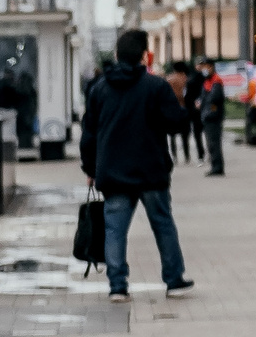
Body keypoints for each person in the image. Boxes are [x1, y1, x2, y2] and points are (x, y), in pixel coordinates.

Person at [80, 28, 194, 304]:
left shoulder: (100, 89)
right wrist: (183, 106)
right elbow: (176, 124)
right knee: (163, 225)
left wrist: (90, 169)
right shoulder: (155, 87)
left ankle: (117, 286)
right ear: (145, 56)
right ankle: (174, 280)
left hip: (114, 173)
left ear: (118, 54)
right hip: (151, 170)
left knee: (115, 230)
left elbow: (89, 133)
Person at [196, 60, 228, 175]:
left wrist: (205, 106)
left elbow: (214, 98)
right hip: (208, 115)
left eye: (205, 67)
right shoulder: (208, 81)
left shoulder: (216, 81)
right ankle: (215, 166)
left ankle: (217, 167)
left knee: (214, 143)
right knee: (211, 143)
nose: (204, 70)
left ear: (211, 67)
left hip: (213, 116)